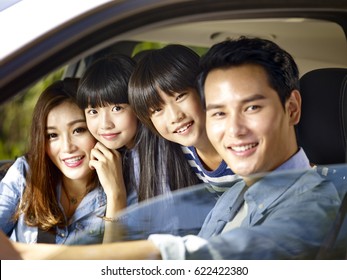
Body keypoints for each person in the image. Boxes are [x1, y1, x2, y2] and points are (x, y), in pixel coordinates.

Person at [12, 37, 341, 259]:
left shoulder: (316, 204)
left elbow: (212, 255)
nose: (232, 130)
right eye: (219, 112)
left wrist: (49, 257)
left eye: (252, 108)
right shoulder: (235, 194)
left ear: (292, 108)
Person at [76, 54, 201, 228]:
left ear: (139, 105)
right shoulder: (112, 157)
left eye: (117, 108)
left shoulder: (162, 151)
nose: (105, 124)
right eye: (93, 112)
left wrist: (115, 193)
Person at [0, 78, 110, 245]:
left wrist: (116, 195)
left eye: (78, 130)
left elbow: (116, 266)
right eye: (52, 135)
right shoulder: (25, 173)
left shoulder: (121, 189)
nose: (67, 147)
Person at [129, 44, 237, 193]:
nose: (175, 116)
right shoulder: (182, 153)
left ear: (203, 88)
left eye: (180, 96)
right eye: (158, 110)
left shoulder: (238, 142)